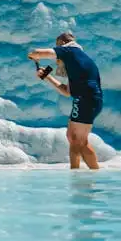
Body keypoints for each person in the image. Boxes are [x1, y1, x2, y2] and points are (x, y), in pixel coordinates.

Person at [28, 31, 103, 170]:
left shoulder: (69, 50)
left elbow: (37, 52)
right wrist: (47, 77)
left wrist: (33, 56)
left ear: (62, 43)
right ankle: (92, 173)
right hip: (89, 99)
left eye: (58, 46)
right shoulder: (78, 60)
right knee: (76, 139)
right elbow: (67, 92)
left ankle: (77, 174)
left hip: (85, 99)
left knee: (76, 139)